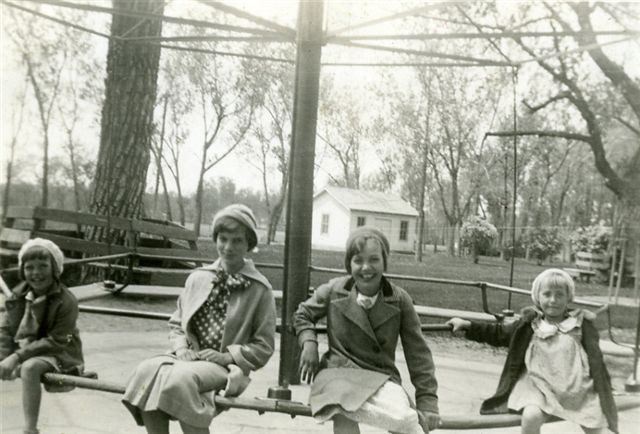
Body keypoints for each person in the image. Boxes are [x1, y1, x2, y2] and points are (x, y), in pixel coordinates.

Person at [122, 204, 276, 434]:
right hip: (187, 358)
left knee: (179, 379)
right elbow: (177, 323)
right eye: (223, 239)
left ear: (249, 244)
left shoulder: (259, 289)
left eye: (237, 241)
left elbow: (264, 347)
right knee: (146, 370)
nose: (228, 247)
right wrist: (182, 347)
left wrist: (226, 356)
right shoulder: (199, 278)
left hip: (225, 367)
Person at [294, 226, 439, 434]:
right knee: (341, 408)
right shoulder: (334, 291)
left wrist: (428, 401)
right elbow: (302, 314)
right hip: (338, 373)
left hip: (379, 375)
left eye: (374, 260)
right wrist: (309, 342)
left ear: (384, 262)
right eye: (358, 260)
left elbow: (419, 355)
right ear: (348, 264)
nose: (366, 268)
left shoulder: (399, 300)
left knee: (406, 420)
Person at [447, 268, 618, 434]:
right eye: (547, 294)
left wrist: (605, 385)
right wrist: (468, 325)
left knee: (597, 425)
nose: (553, 300)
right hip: (537, 385)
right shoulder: (529, 324)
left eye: (560, 295)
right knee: (531, 416)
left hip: (575, 387)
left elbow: (597, 360)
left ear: (568, 298)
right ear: (537, 296)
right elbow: (498, 333)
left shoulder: (580, 324)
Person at [0, 238, 84, 434]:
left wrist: (17, 357)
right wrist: (4, 358)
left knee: (30, 368)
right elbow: (6, 329)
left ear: (55, 269)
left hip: (60, 351)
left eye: (43, 266)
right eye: (29, 267)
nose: (36, 273)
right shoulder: (18, 296)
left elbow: (57, 340)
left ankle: (30, 429)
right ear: (22, 271)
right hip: (30, 347)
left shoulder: (66, 300)